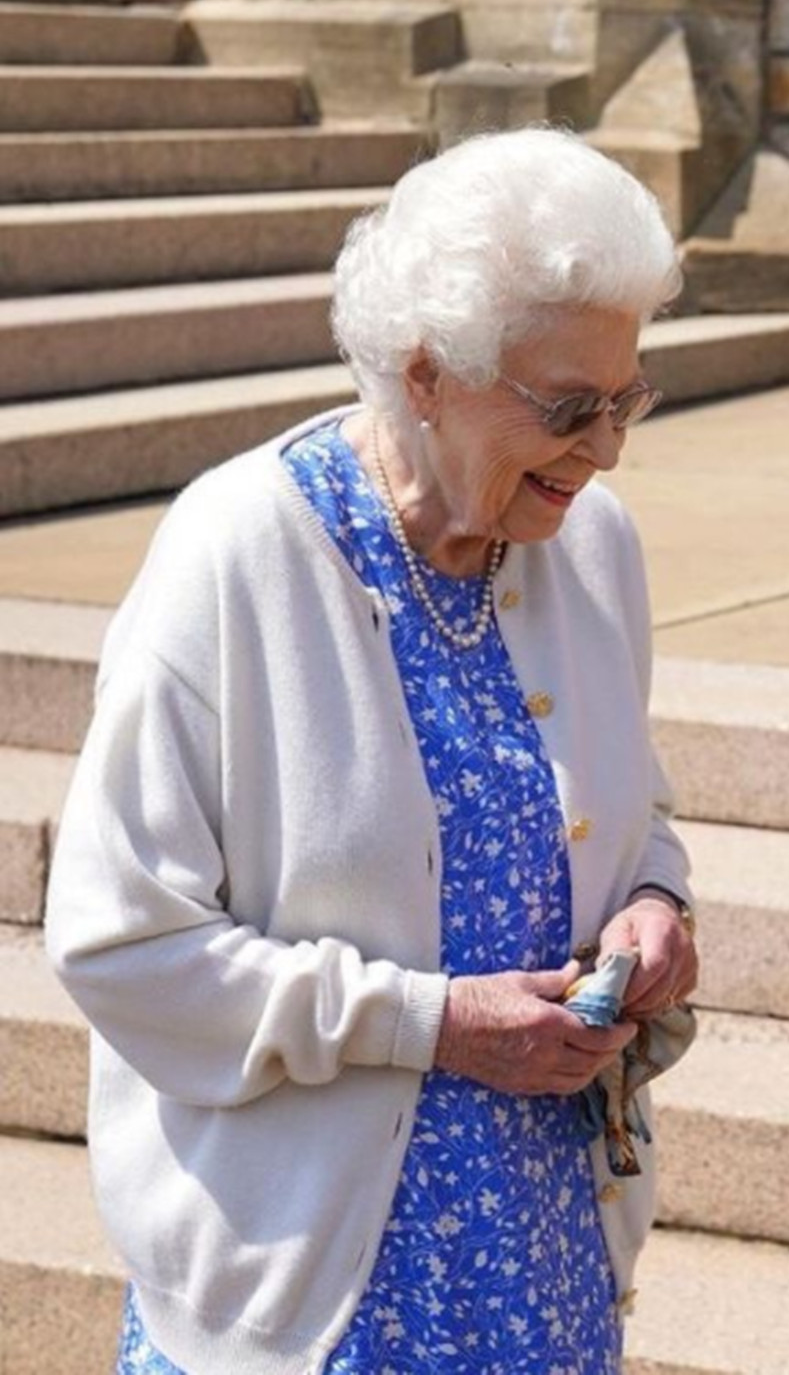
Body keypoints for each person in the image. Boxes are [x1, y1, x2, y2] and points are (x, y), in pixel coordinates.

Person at [45, 128, 700, 1375]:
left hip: (546, 1263)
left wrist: (655, 904)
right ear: (427, 374)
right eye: (569, 407)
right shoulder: (237, 552)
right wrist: (430, 1021)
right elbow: (119, 939)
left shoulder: (593, 543)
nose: (607, 446)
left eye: (629, 397)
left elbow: (633, 810)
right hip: (308, 1300)